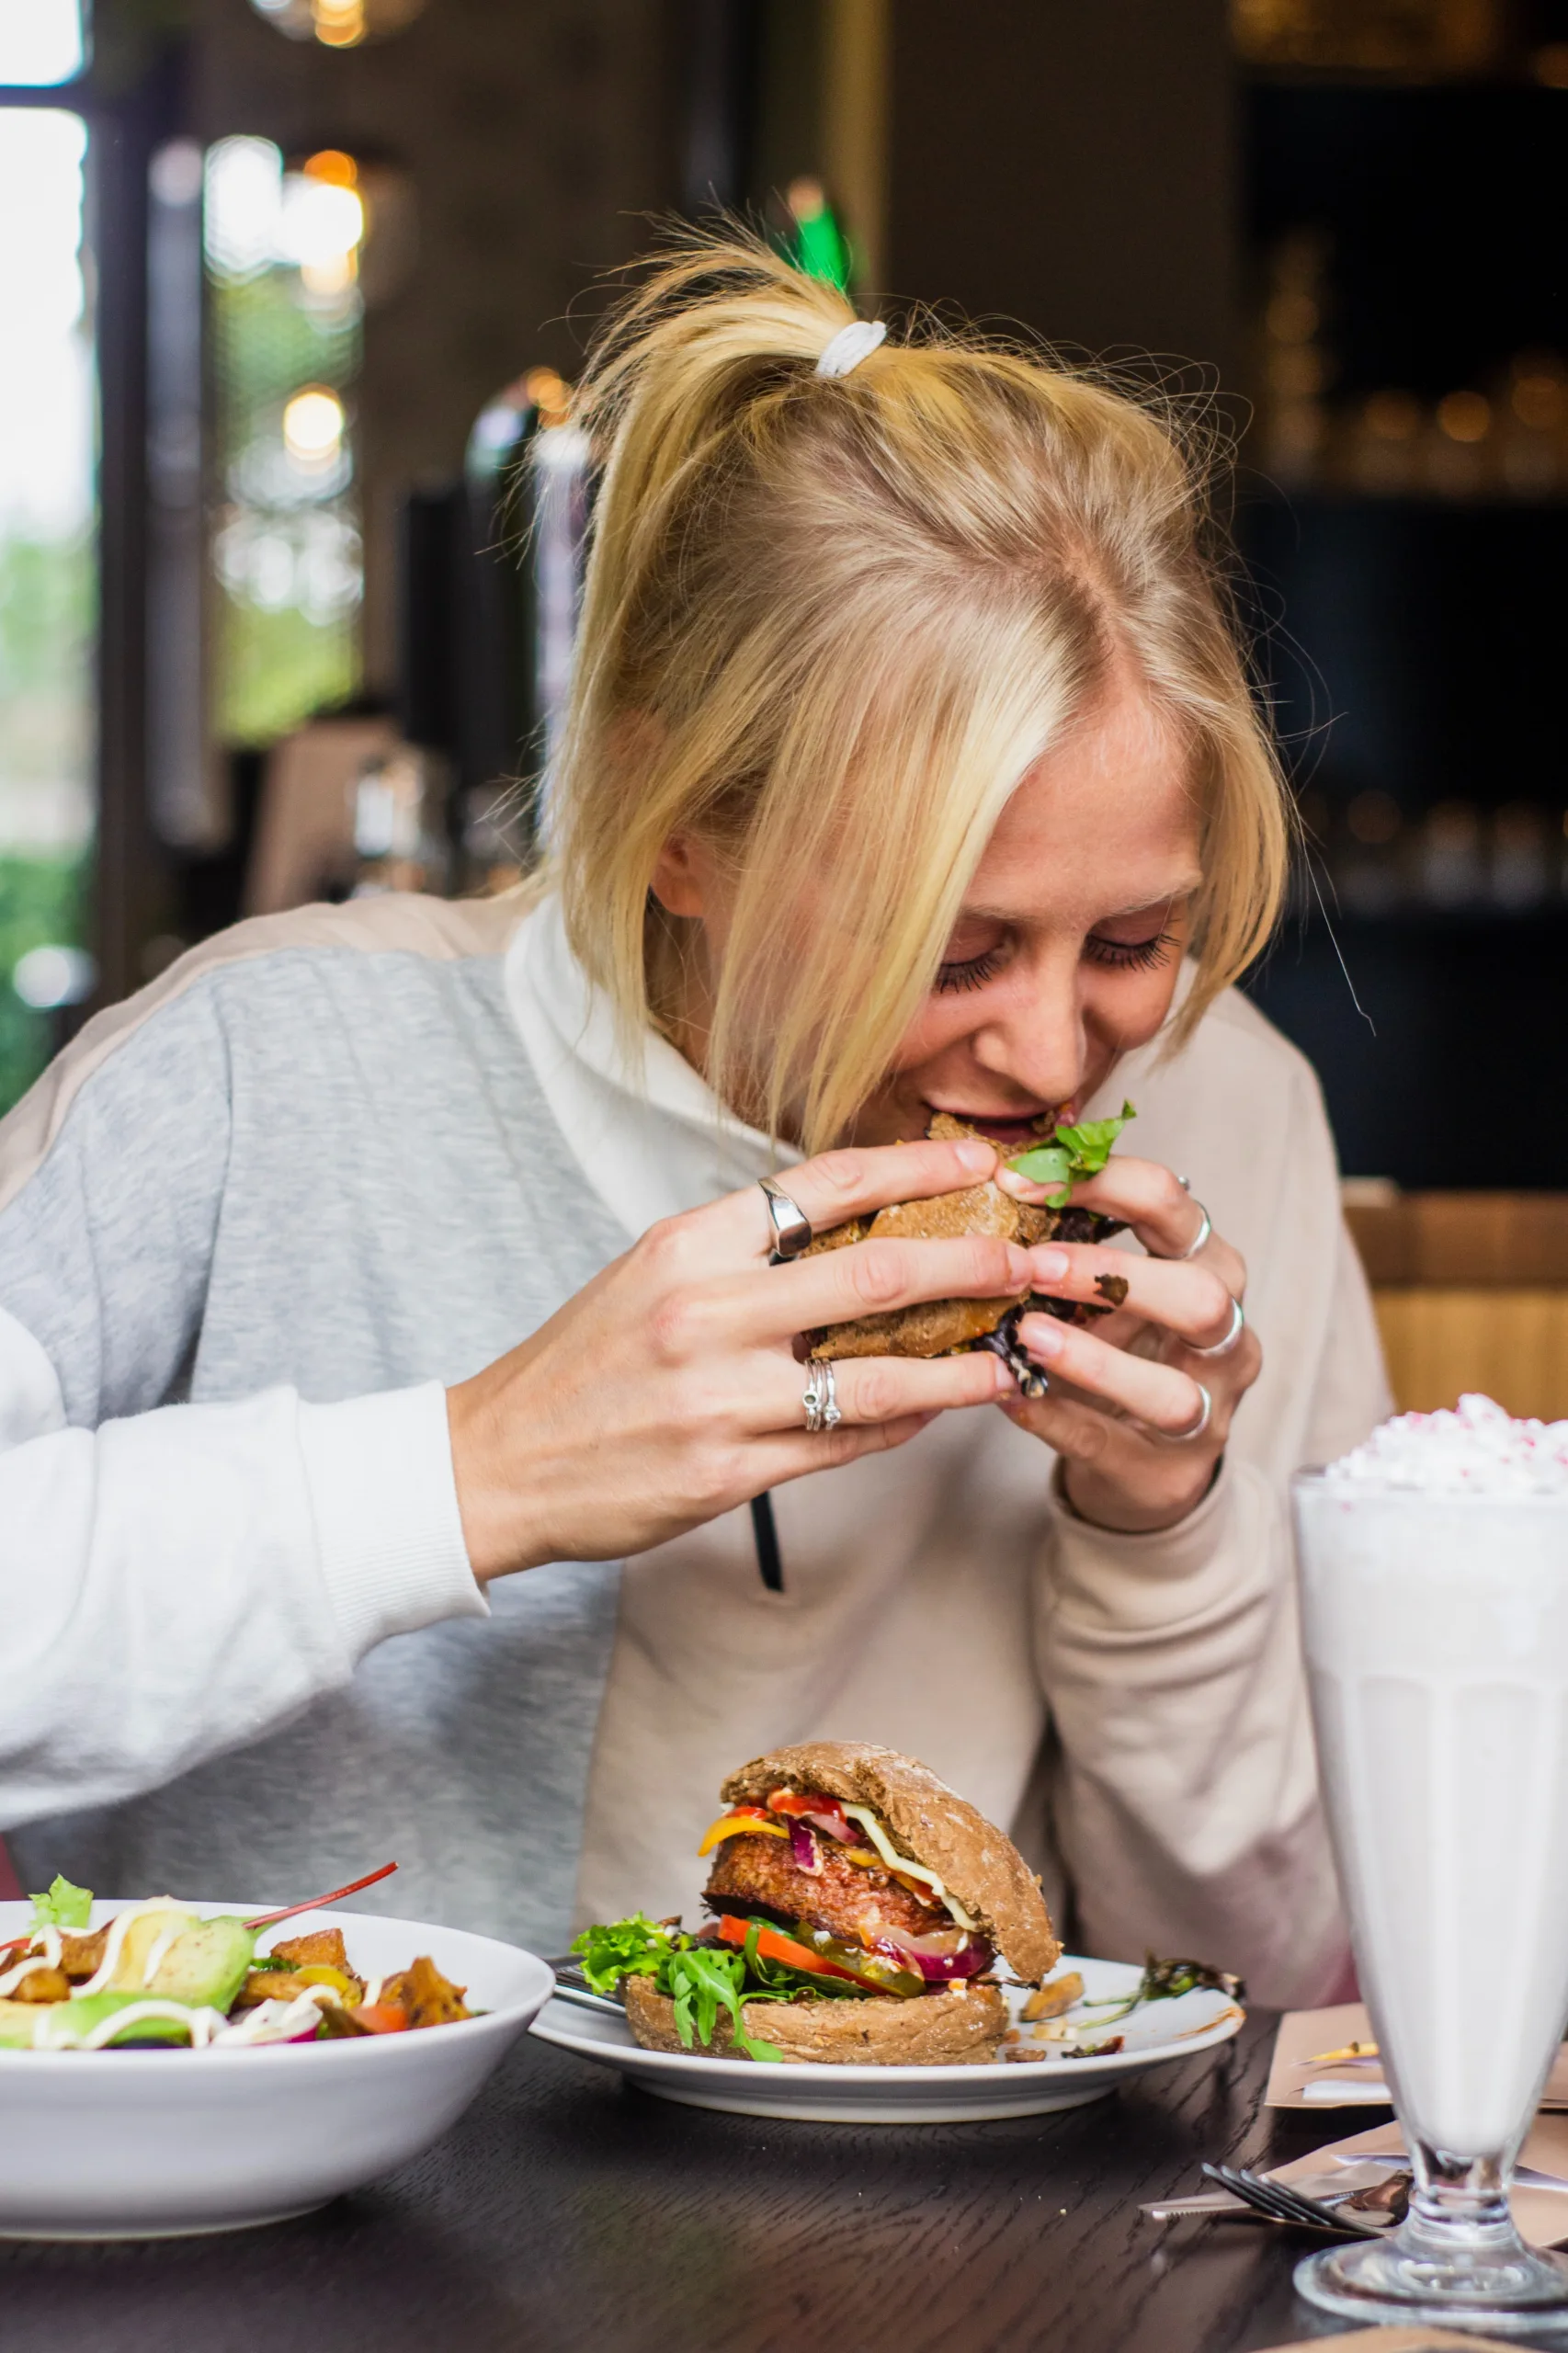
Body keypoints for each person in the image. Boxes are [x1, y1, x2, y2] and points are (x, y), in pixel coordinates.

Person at [0, 234, 1385, 2004]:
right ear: (673, 827)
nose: (1056, 1056)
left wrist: (1163, 1529)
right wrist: (475, 1467)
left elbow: (1280, 1981)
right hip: (295, 2231)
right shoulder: (270, 1056)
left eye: (1130, 939)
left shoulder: (1229, 1102)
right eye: (950, 945)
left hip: (965, 2262)